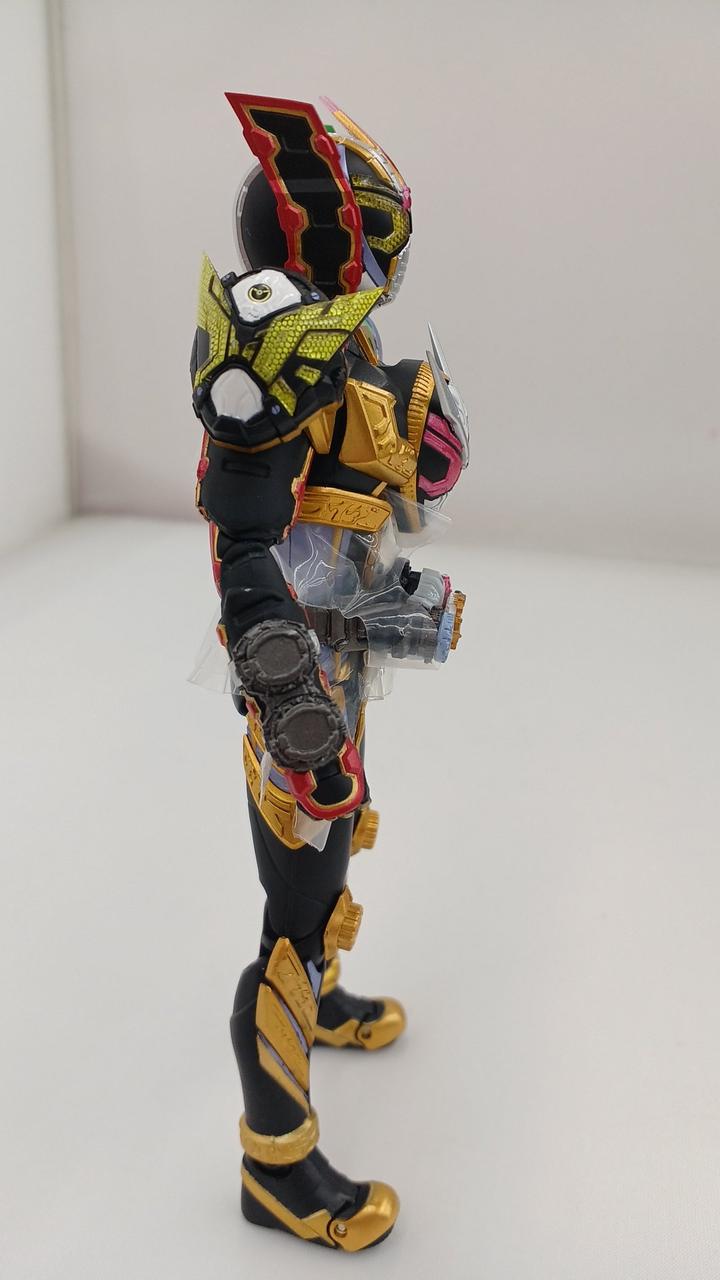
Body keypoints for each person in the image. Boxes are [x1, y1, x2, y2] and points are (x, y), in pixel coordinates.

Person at [191, 93, 469, 1251]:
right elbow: (246, 553)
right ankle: (276, 1162)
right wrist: (294, 709)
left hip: (337, 640)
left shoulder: (337, 339)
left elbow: (350, 511)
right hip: (293, 668)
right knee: (292, 909)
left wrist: (389, 600)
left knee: (338, 852)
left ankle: (324, 990)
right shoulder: (267, 348)